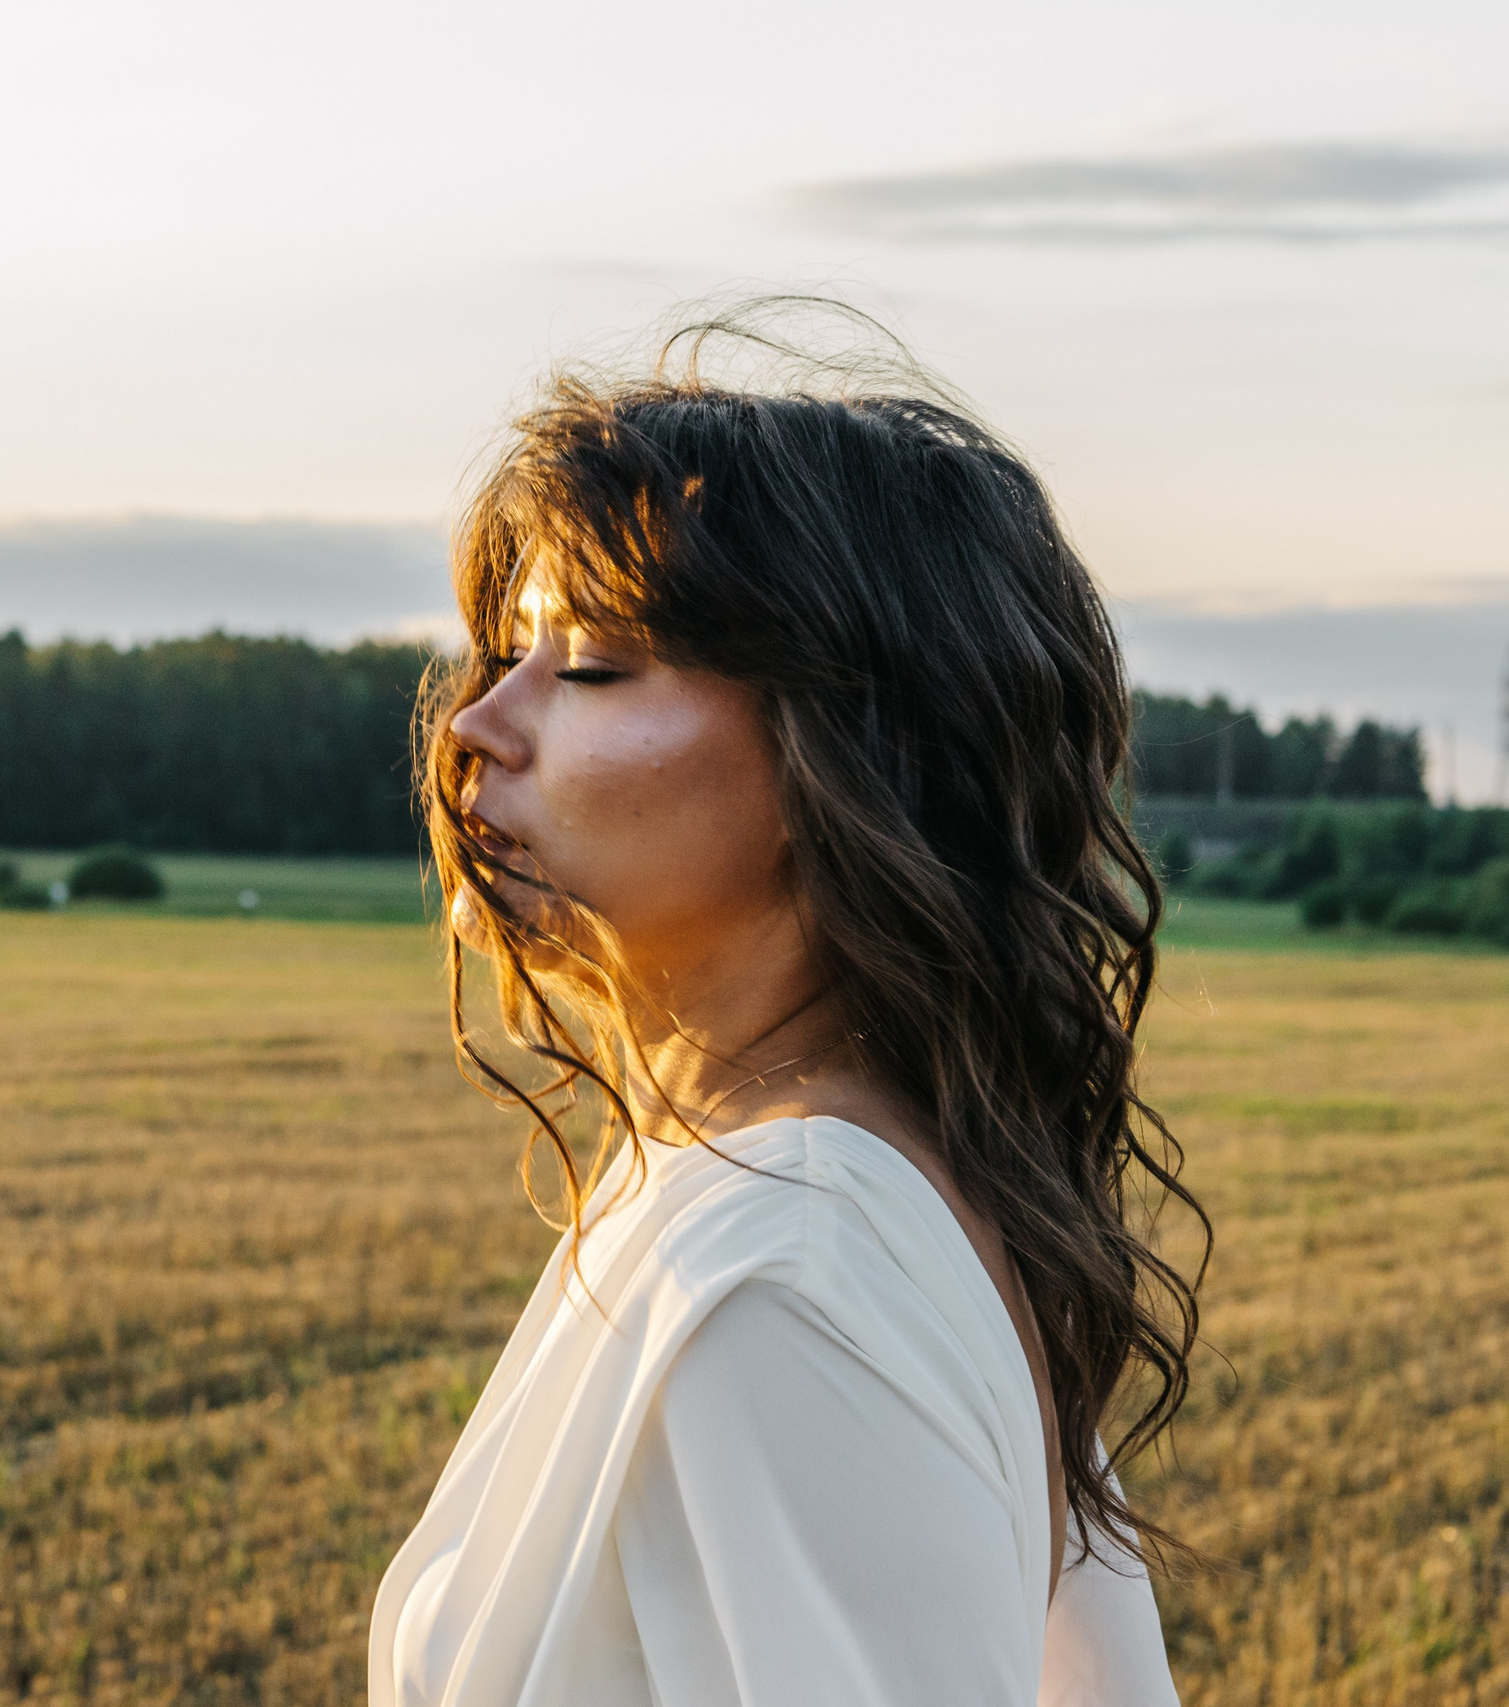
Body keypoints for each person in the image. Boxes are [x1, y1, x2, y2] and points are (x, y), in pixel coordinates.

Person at [370, 303, 1205, 1706]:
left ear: (846, 762)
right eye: (503, 655)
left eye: (588, 665)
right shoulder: (794, 1190)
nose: (475, 727)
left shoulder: (795, 1273)